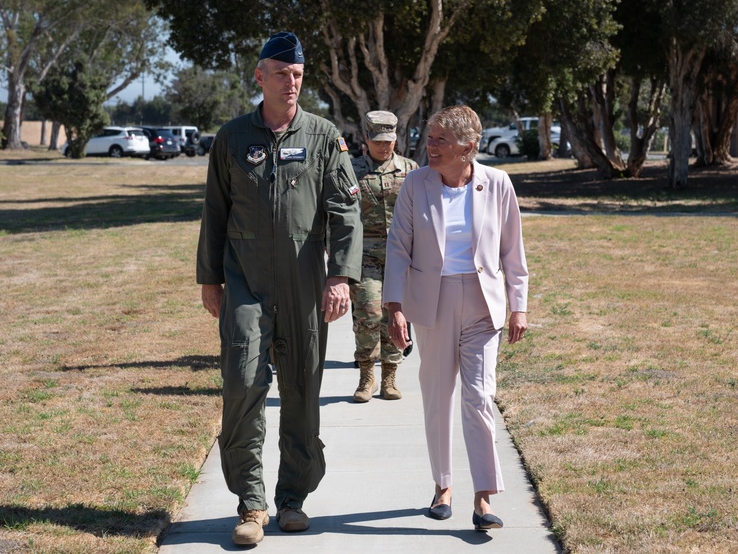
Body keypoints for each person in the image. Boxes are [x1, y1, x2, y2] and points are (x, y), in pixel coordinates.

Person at [196, 31, 363, 546]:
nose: (291, 84)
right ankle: (250, 503)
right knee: (244, 382)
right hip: (246, 278)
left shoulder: (322, 136)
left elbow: (345, 210)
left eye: (297, 75)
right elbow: (215, 212)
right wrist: (210, 277)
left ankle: (292, 498)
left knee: (301, 388)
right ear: (259, 76)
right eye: (281, 74)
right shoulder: (231, 137)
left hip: (304, 281)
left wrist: (340, 276)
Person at [382, 105, 529, 531]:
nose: (430, 147)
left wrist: (518, 305)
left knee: (479, 397)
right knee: (437, 396)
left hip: (483, 304)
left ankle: (484, 497)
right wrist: (395, 308)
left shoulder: (498, 184)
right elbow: (398, 247)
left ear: (468, 147)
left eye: (440, 140)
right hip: (432, 302)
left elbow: (512, 254)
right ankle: (442, 486)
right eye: (429, 138)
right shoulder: (416, 184)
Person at [349, 110, 419, 403]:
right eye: (377, 140)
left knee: (394, 316)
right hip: (364, 255)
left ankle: (390, 377)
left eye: (389, 140)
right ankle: (366, 375)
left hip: (401, 257)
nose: (384, 146)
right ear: (365, 138)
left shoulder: (410, 170)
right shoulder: (351, 170)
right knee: (369, 314)